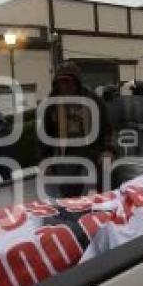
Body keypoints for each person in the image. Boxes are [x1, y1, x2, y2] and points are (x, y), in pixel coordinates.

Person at [38, 62, 113, 196]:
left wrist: (108, 150)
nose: (65, 86)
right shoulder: (51, 103)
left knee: (92, 194)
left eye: (68, 82)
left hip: (90, 154)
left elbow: (106, 128)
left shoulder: (93, 100)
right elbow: (44, 134)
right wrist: (45, 161)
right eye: (61, 82)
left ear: (77, 82)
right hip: (63, 157)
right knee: (67, 196)